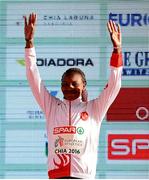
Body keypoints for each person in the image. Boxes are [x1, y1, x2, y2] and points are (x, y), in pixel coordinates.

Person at [24, 13, 123, 179]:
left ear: (84, 85)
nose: (68, 87)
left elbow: (114, 85)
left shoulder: (94, 108)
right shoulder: (51, 106)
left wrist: (117, 50)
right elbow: (33, 78)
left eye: (74, 83)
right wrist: (29, 44)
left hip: (83, 175)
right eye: (64, 83)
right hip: (56, 175)